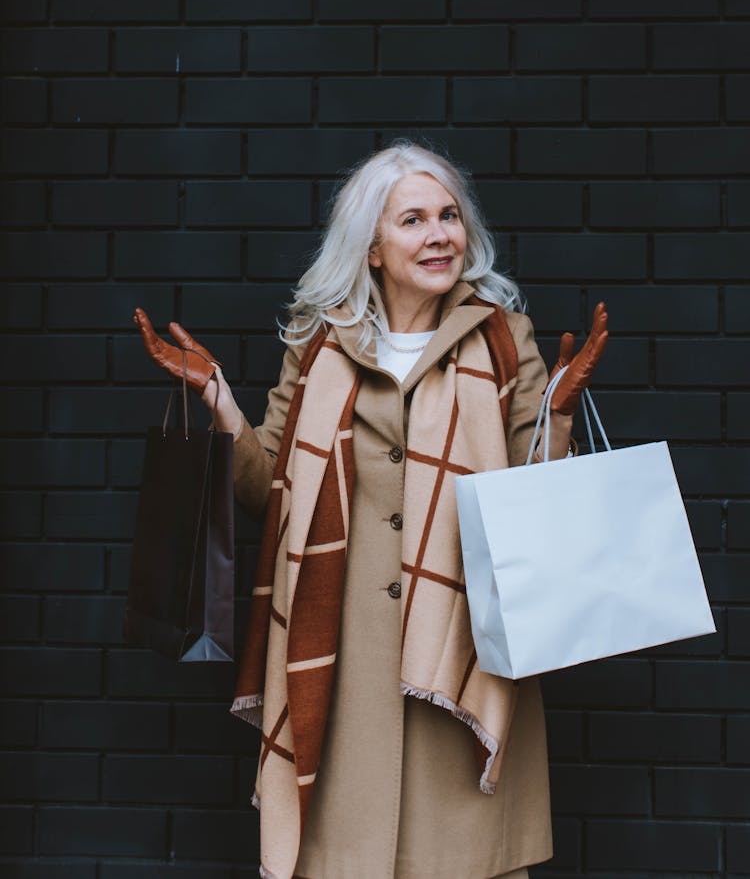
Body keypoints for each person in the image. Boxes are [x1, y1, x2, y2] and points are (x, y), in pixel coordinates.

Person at [134, 140, 608, 879]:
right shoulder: (319, 342)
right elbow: (270, 491)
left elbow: (534, 505)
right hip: (340, 659)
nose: (439, 233)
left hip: (460, 653)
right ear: (374, 247)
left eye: (449, 215)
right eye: (413, 219)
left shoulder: (503, 339)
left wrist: (561, 415)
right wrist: (217, 398)